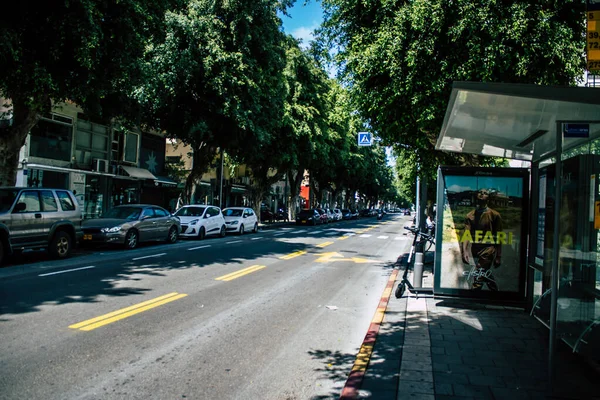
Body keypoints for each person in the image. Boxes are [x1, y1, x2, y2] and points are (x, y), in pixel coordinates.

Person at [461, 188, 502, 291]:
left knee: (478, 275)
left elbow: (499, 236)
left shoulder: (495, 215)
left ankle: (472, 298)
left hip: (488, 250)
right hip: (475, 250)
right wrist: (464, 251)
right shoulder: (470, 216)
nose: (482, 194)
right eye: (480, 192)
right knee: (484, 273)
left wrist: (498, 256)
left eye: (485, 193)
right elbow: (466, 234)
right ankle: (495, 293)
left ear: (488, 198)